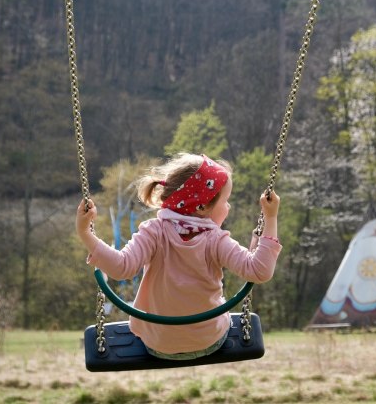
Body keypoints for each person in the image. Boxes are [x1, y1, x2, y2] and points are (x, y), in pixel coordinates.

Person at [75, 153, 281, 360]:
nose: (228, 207)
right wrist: (270, 218)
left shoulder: (154, 231)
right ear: (202, 207)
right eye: (225, 201)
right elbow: (259, 271)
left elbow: (121, 267)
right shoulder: (216, 240)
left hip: (157, 343)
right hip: (208, 341)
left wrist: (86, 233)